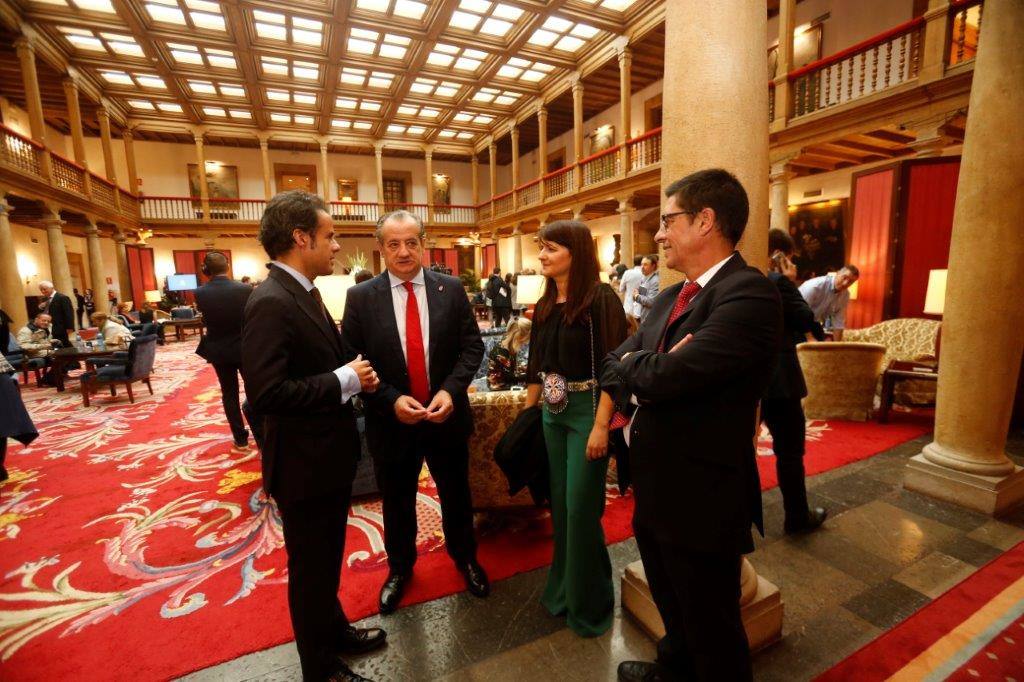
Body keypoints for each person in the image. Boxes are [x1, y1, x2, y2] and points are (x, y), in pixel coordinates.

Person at [604, 169, 781, 682]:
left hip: (703, 493)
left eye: (667, 220)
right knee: (673, 606)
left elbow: (668, 374)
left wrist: (647, 371)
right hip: (656, 484)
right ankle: (673, 669)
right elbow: (617, 363)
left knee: (713, 626)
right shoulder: (669, 296)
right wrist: (647, 370)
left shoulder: (748, 295)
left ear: (705, 221)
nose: (658, 234)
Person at [242, 190, 385, 682]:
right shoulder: (270, 301)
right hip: (303, 466)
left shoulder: (303, 290)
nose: (337, 246)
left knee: (325, 561)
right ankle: (319, 668)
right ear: (300, 238)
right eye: (329, 236)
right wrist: (345, 379)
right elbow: (266, 394)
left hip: (324, 457)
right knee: (310, 570)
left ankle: (334, 628)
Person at [342, 210, 489, 616]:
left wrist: (450, 390)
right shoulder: (360, 297)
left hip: (446, 417)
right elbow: (353, 360)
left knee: (457, 495)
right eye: (394, 244)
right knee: (397, 501)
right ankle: (400, 570)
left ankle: (466, 559)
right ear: (381, 249)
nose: (404, 252)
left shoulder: (452, 289)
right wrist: (390, 400)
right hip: (393, 423)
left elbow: (472, 348)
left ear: (423, 244)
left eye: (411, 242)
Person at [522, 220, 629, 638]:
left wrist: (602, 426)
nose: (542, 256)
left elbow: (614, 369)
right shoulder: (546, 302)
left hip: (588, 410)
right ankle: (564, 591)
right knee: (562, 508)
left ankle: (591, 602)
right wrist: (529, 418)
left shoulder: (601, 300)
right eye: (541, 248)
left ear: (576, 253)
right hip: (551, 412)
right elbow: (536, 367)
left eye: (550, 248)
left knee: (583, 510)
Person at [766, 229, 828, 534]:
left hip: (747, 381)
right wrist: (789, 282)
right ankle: (797, 518)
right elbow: (807, 321)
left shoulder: (741, 280)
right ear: (779, 253)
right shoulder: (778, 282)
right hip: (780, 382)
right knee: (790, 451)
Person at [195, 251, 262, 450]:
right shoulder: (245, 289)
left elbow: (207, 320)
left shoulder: (200, 292)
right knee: (255, 389)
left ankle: (240, 438)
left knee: (229, 393)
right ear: (228, 266)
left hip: (219, 350)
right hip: (244, 347)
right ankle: (261, 431)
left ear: (206, 270)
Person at [799, 264, 859, 340]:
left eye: (850, 281)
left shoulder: (845, 295)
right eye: (844, 278)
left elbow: (839, 322)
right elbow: (800, 313)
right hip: (795, 320)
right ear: (837, 273)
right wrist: (810, 338)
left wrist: (837, 347)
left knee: (823, 348)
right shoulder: (815, 286)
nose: (845, 283)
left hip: (814, 322)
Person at [487, 317, 531, 391]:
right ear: (519, 336)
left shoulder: (508, 346)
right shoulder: (500, 353)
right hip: (500, 387)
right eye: (526, 338)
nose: (525, 342)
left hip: (509, 382)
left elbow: (511, 370)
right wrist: (531, 375)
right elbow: (509, 377)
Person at [38, 281, 75, 347]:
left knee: (63, 343)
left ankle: (73, 355)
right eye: (41, 290)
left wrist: (70, 327)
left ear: (52, 288)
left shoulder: (62, 297)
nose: (43, 291)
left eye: (44, 289)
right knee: (56, 344)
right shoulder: (45, 299)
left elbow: (68, 313)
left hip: (60, 326)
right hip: (49, 326)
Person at [633, 255, 661, 323]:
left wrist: (637, 296)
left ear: (653, 266)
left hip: (649, 319)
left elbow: (651, 302)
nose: (642, 267)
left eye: (645, 265)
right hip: (642, 316)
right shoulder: (644, 278)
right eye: (641, 264)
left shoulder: (655, 281)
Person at [618, 256, 644, 320]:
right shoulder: (645, 273)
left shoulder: (627, 273)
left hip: (628, 306)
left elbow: (621, 289)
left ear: (633, 263)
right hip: (642, 307)